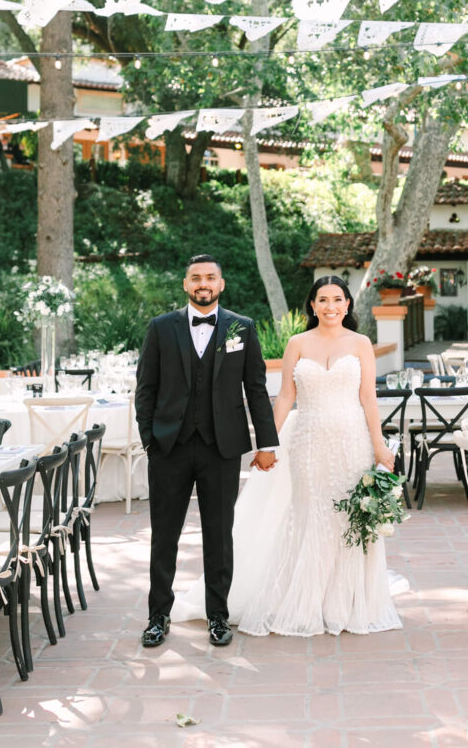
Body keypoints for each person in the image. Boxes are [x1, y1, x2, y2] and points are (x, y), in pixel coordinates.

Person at [173, 274, 404, 637]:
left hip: (352, 441)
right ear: (312, 306)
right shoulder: (297, 343)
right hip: (308, 443)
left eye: (337, 299)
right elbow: (284, 397)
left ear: (348, 305)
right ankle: (305, 602)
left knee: (349, 518)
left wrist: (379, 446)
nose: (330, 306)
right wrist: (267, 442)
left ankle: (346, 603)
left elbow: (368, 399)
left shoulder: (361, 343)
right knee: (311, 515)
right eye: (323, 300)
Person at [135, 254, 279, 649]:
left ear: (221, 283)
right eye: (196, 277)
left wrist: (266, 442)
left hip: (222, 448)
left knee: (219, 535)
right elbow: (145, 388)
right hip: (169, 448)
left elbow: (256, 389)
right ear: (185, 284)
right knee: (164, 535)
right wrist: (151, 439)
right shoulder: (162, 328)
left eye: (210, 277)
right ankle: (157, 616)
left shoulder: (241, 328)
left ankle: (218, 616)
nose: (203, 283)